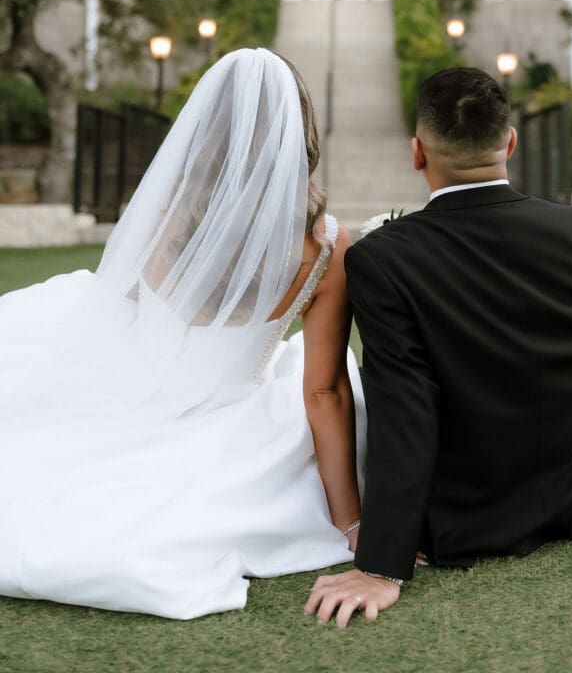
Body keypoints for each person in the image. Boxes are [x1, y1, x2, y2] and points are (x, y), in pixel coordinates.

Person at [0, 48, 365, 619]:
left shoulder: (165, 211)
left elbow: (120, 307)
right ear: (302, 129)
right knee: (358, 399)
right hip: (236, 409)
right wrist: (350, 522)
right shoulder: (327, 243)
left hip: (139, 380)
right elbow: (324, 393)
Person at [306, 66, 572, 628]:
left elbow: (404, 409)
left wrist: (381, 564)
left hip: (461, 523)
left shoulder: (382, 259)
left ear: (416, 154)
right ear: (510, 142)